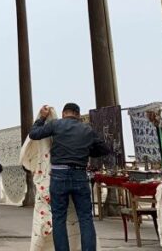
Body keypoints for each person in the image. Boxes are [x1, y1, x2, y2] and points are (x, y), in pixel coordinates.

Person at [29, 103, 110, 251]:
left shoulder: (56, 125)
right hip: (80, 174)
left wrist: (42, 117)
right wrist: (86, 150)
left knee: (59, 218)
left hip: (59, 175)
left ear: (64, 113)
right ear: (78, 115)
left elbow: (34, 134)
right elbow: (104, 149)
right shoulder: (87, 129)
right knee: (85, 217)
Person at [21, 106, 83, 251]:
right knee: (69, 220)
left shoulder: (43, 136)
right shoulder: (66, 135)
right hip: (68, 180)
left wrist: (41, 119)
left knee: (49, 220)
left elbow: (32, 138)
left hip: (48, 182)